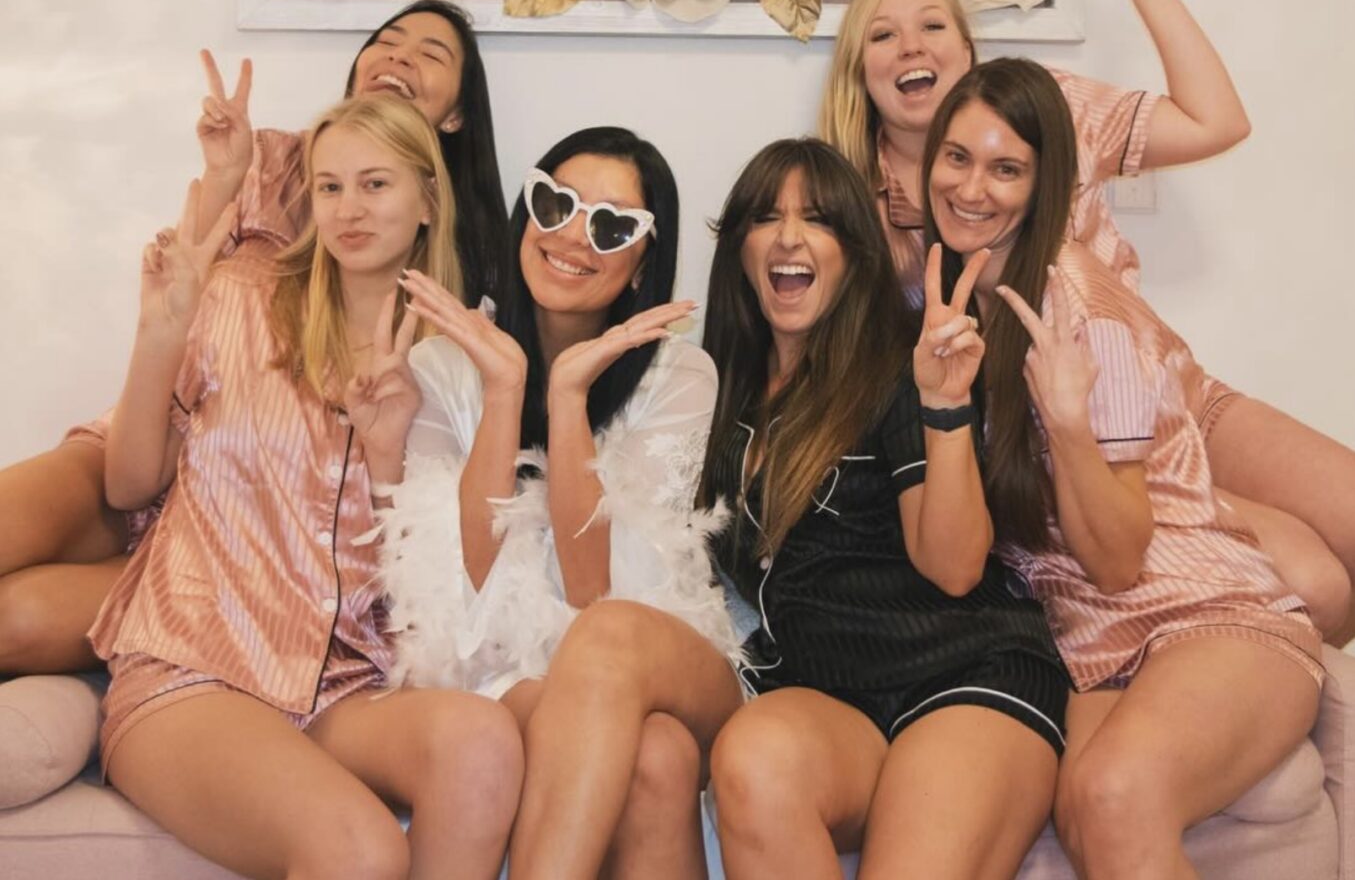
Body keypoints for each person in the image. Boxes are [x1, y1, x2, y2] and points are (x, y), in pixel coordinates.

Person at [819, 0, 1353, 641]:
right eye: (881, 34)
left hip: (1173, 399)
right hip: (1057, 453)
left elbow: (1215, 122)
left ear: (966, 51)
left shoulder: (1049, 111)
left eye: (932, 25)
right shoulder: (854, 211)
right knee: (1315, 583)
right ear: (859, 71)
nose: (910, 45)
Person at [0, 0, 512, 675]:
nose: (399, 56)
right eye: (388, 41)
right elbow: (184, 282)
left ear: (454, 118)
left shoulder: (450, 290)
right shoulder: (267, 161)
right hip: (174, 430)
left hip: (257, 527)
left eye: (430, 53)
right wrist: (222, 177)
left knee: (22, 620)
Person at [89, 93, 521, 880]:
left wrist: (386, 455)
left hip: (346, 684)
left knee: (481, 741)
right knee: (361, 850)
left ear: (428, 200)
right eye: (329, 187)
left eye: (374, 184)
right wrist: (160, 333)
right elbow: (127, 486)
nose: (348, 209)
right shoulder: (237, 299)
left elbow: (437, 586)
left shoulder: (457, 361)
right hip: (195, 666)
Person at [922, 58, 1323, 878]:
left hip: (1202, 615)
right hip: (1087, 647)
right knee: (1077, 811)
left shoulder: (1077, 303)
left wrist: (1069, 428)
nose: (971, 188)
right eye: (956, 158)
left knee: (1111, 795)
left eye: (1005, 169)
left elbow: (1115, 560)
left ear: (1043, 185)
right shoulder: (947, 298)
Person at [366, 127, 742, 879]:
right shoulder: (443, 364)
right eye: (555, 204)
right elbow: (469, 585)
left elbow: (593, 588)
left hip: (660, 654)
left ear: (643, 264)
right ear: (525, 216)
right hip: (504, 670)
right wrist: (505, 391)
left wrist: (568, 398)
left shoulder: (680, 375)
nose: (573, 236)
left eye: (612, 226)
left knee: (606, 636)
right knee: (657, 759)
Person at [700, 139, 1069, 880]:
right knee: (751, 756)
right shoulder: (718, 395)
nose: (789, 237)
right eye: (766, 217)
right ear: (739, 248)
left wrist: (944, 404)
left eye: (818, 220)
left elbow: (955, 568)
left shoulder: (898, 367)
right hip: (829, 696)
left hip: (965, 674)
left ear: (854, 254)